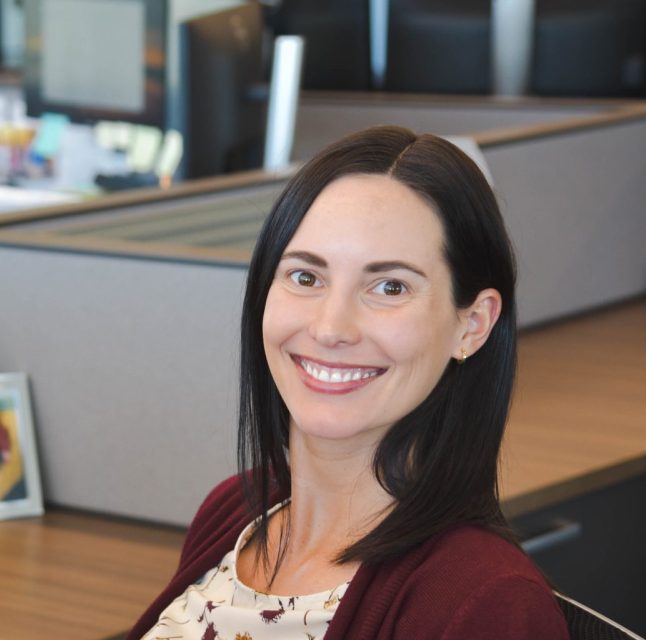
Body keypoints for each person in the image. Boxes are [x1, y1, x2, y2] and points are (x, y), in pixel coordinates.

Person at [129, 126, 570, 639]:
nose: (330, 328)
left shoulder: (484, 602)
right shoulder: (235, 511)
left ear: (472, 324)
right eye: (306, 277)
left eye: (389, 286)